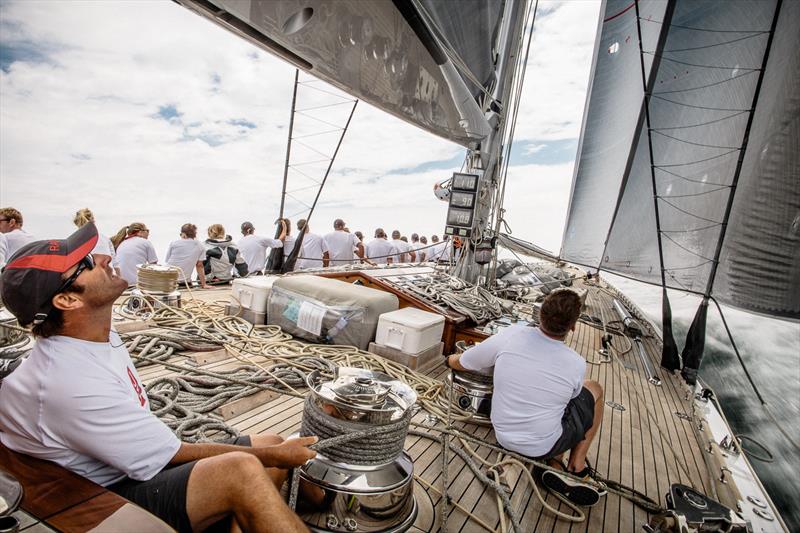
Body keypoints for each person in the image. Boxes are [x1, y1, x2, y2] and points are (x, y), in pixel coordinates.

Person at [0, 223, 316, 532]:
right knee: (245, 468)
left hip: (123, 465)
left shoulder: (96, 334)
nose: (104, 258)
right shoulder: (68, 384)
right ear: (67, 300)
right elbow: (168, 454)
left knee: (272, 442)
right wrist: (274, 455)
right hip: (104, 492)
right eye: (86, 262)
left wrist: (274, 451)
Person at [446, 289, 606, 506]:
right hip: (544, 446)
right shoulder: (576, 363)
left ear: (540, 315)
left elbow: (463, 362)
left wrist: (449, 360)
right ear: (573, 326)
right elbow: (573, 399)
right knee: (594, 389)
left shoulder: (510, 335)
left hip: (503, 436)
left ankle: (557, 464)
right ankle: (575, 465)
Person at [73, 208, 119, 275]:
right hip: (110, 279)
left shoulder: (75, 242)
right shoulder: (105, 239)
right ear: (93, 221)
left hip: (92, 281)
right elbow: (115, 265)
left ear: (76, 223)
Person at [111, 222, 157, 286]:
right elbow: (153, 266)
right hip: (136, 284)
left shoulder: (122, 243)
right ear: (140, 232)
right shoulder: (146, 242)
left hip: (121, 283)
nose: (149, 234)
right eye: (147, 231)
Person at [165, 223, 208, 288]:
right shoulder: (200, 246)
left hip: (167, 281)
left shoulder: (174, 243)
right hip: (184, 282)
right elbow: (199, 266)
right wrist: (204, 284)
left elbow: (167, 260)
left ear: (184, 234)